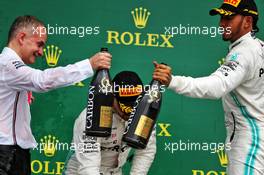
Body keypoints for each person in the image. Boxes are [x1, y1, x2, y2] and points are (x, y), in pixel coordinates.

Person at [153, 0, 264, 174]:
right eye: (221, 17)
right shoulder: (258, 47)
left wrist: (172, 81)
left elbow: (217, 86)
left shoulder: (243, 52)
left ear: (248, 22)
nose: (222, 23)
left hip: (250, 139)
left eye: (229, 18)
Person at [0, 15, 112, 175]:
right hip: (6, 154)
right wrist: (89, 65)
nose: (41, 52)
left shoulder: (10, 67)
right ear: (22, 37)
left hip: (14, 154)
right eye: (39, 44)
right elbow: (42, 80)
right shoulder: (7, 63)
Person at [63, 71, 156, 175]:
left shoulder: (143, 115)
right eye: (124, 106)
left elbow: (145, 151)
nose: (128, 113)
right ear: (112, 96)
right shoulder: (91, 116)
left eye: (134, 105)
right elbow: (88, 167)